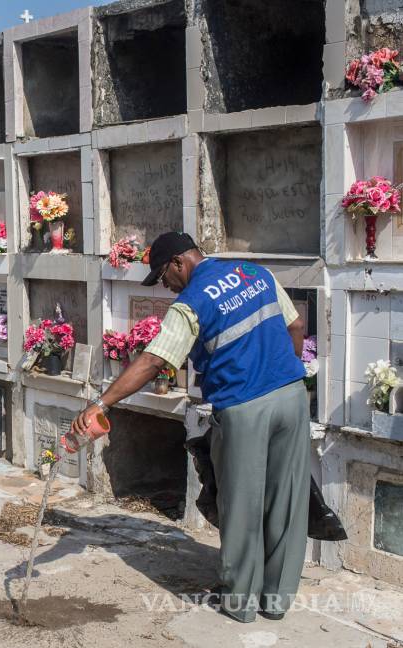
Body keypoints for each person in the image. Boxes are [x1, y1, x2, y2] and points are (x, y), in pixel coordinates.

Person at [71, 232, 308, 623]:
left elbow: (152, 362)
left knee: (242, 505)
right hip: (292, 397)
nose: (165, 286)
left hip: (245, 407)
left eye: (164, 276)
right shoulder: (256, 273)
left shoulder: (190, 304)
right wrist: (282, 373)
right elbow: (296, 326)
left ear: (180, 263)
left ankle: (240, 604)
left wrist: (102, 402)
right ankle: (277, 600)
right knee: (287, 499)